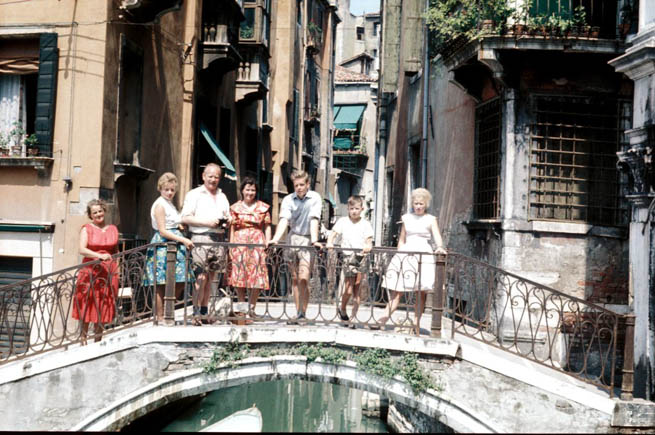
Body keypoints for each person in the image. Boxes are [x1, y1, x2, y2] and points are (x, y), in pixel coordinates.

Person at [377, 188, 447, 335]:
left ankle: (416, 323)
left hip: (424, 255)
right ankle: (382, 320)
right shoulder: (407, 218)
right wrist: (399, 256)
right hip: (407, 254)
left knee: (421, 292)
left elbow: (436, 236)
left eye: (421, 203)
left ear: (426, 204)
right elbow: (402, 239)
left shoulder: (431, 219)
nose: (418, 206)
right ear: (413, 204)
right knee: (397, 291)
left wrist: (440, 247)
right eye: (416, 203)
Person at [269, 170, 323, 324]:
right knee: (294, 279)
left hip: (307, 240)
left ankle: (303, 313)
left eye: (301, 185)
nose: (299, 188)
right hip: (292, 239)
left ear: (307, 184)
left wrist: (314, 240)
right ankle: (298, 313)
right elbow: (284, 220)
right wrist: (275, 239)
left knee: (304, 278)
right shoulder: (288, 199)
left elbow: (314, 219)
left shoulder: (315, 198)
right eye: (296, 185)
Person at [181, 163, 231, 325]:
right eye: (210, 176)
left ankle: (204, 312)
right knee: (200, 277)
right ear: (203, 176)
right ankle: (195, 312)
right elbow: (185, 218)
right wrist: (207, 223)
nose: (213, 179)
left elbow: (227, 215)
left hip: (218, 239)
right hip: (201, 238)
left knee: (211, 278)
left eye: (216, 176)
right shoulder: (194, 194)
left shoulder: (223, 196)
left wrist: (228, 221)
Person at [143, 172, 195, 322]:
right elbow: (162, 230)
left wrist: (179, 226)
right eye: (167, 189)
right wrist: (183, 239)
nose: (170, 192)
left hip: (175, 242)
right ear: (160, 189)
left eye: (172, 190)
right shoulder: (160, 205)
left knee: (181, 279)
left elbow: (171, 222)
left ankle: (167, 308)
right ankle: (160, 316)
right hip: (164, 243)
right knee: (161, 282)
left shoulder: (169, 204)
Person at [73, 199, 119, 345]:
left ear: (104, 211)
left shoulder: (113, 228)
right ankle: (83, 340)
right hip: (90, 270)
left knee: (103, 304)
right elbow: (81, 249)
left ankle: (98, 340)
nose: (98, 214)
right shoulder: (87, 228)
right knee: (87, 303)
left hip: (108, 271)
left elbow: (116, 251)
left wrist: (117, 270)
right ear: (90, 215)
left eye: (100, 211)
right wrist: (99, 256)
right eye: (94, 212)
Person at [227, 177, 272, 323]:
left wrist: (268, 242)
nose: (250, 192)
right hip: (240, 242)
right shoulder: (235, 208)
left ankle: (252, 308)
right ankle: (242, 309)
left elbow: (267, 225)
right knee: (240, 275)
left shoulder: (263, 207)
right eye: (247, 189)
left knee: (257, 275)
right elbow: (232, 227)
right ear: (242, 190)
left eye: (253, 190)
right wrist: (231, 245)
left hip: (257, 241)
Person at [326, 196, 373, 328]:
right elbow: (333, 234)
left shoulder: (365, 223)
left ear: (362, 209)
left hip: (360, 257)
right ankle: (343, 308)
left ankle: (352, 318)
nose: (354, 211)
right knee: (348, 288)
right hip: (348, 256)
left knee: (357, 288)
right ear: (348, 209)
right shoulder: (343, 221)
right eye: (351, 208)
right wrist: (330, 242)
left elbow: (369, 240)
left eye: (357, 208)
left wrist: (368, 246)